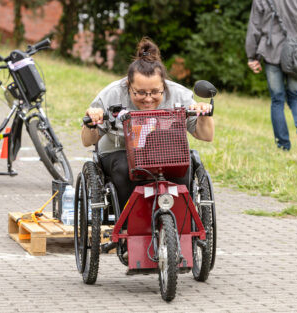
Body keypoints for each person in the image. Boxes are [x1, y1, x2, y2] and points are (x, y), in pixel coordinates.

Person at [81, 37, 214, 210]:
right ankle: (128, 223)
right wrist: (92, 121)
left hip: (165, 151)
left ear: (164, 85)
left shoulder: (179, 94)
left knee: (184, 164)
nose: (148, 99)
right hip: (120, 151)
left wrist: (203, 114)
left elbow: (206, 135)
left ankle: (181, 220)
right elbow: (86, 141)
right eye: (141, 93)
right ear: (128, 85)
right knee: (123, 168)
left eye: (155, 92)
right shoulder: (112, 94)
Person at [245, 0, 297, 156]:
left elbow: (255, 26)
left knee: (277, 100)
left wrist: (252, 55)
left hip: (271, 52)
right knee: (295, 98)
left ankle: (283, 146)